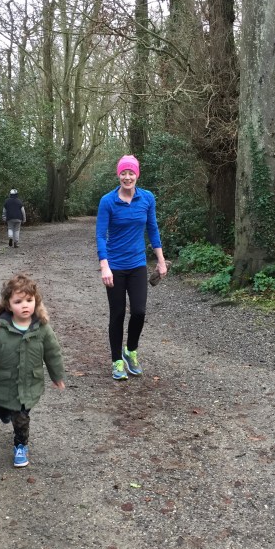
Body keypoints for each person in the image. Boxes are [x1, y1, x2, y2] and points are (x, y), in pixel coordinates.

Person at [0, 273, 65, 468]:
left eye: (29, 300)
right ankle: (3, 411)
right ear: (8, 305)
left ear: (36, 302)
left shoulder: (42, 328)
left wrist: (57, 375)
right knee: (3, 410)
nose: (25, 305)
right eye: (18, 302)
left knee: (20, 416)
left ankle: (20, 445)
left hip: (29, 385)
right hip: (4, 384)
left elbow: (53, 353)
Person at [96, 154, 168, 381]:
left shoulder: (147, 198)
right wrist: (104, 266)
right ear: (118, 175)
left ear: (137, 175)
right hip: (115, 266)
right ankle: (116, 360)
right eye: (123, 173)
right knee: (117, 314)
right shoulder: (107, 201)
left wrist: (161, 260)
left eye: (131, 173)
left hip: (137, 264)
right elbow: (100, 235)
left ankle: (130, 351)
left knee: (139, 311)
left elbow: (153, 230)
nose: (127, 177)